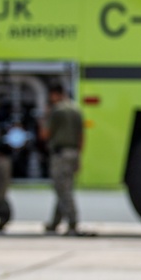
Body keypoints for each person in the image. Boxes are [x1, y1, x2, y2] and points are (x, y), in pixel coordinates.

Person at [40, 83, 84, 236]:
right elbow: (81, 136)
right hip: (73, 153)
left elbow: (45, 134)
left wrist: (44, 116)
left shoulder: (56, 110)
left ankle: (73, 223)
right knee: (64, 188)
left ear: (55, 94)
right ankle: (54, 224)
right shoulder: (75, 109)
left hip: (60, 155)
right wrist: (79, 157)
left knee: (63, 191)